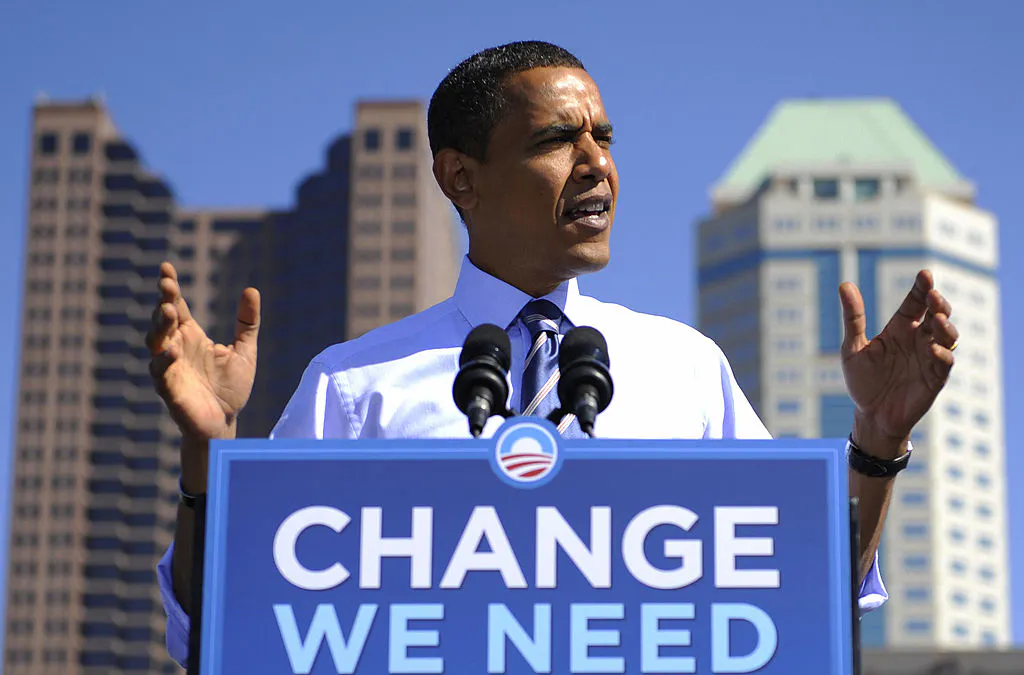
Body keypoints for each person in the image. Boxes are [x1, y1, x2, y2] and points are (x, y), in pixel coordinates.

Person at [147, 41, 958, 667]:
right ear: (461, 178)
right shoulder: (354, 386)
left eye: (604, 137)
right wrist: (207, 460)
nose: (598, 164)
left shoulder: (685, 368)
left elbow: (805, 599)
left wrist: (877, 439)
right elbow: (217, 634)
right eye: (559, 140)